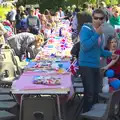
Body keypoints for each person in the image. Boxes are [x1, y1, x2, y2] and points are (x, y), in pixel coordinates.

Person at [79, 8, 116, 113]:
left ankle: (94, 114)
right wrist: (96, 34)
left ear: (104, 19)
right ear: (92, 18)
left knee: (96, 93)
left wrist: (110, 54)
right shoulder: (86, 28)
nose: (98, 20)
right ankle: (86, 114)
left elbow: (99, 50)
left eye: (101, 18)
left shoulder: (102, 33)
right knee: (89, 93)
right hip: (86, 65)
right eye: (96, 18)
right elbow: (85, 46)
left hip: (96, 65)